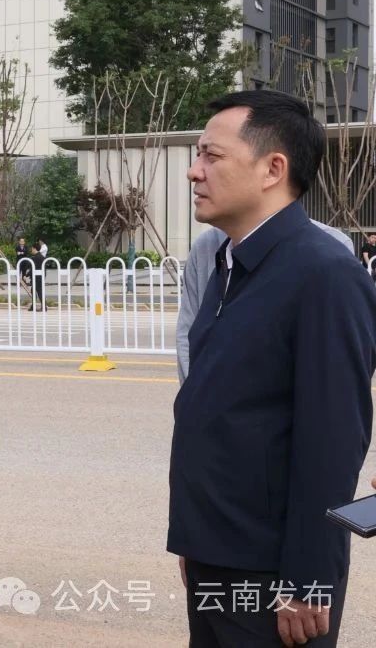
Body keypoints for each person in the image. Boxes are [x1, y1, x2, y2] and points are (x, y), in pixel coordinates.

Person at [169, 90, 376, 648]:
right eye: (198, 154)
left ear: (272, 170)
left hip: (276, 574)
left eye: (212, 156)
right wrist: (195, 539)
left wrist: (310, 577)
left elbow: (333, 441)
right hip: (216, 552)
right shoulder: (228, 265)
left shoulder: (324, 274)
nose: (195, 171)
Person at [175, 219, 353, 383]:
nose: (194, 188)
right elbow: (187, 333)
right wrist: (196, 397)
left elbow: (334, 368)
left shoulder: (332, 249)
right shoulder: (206, 246)